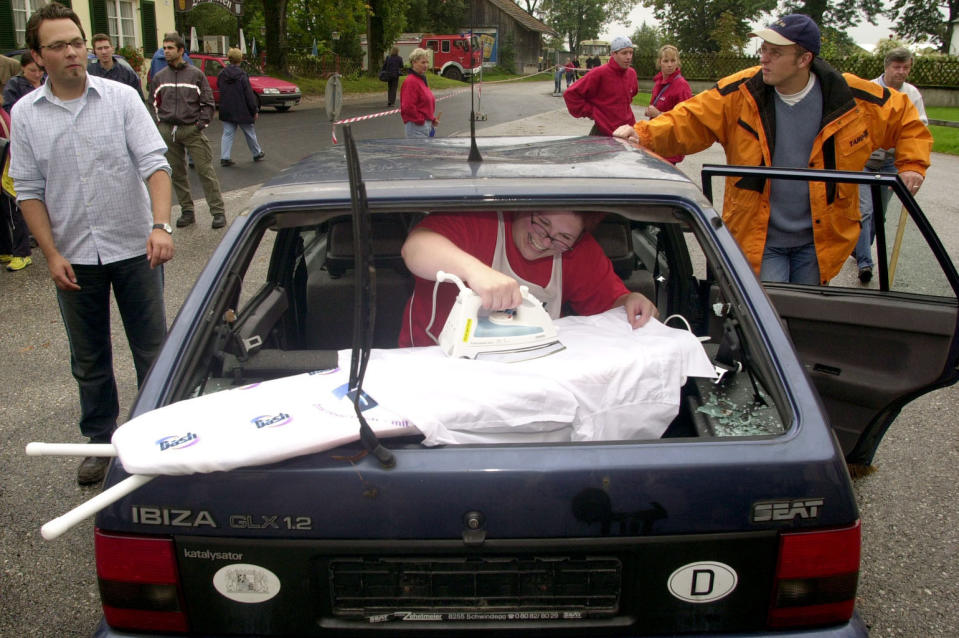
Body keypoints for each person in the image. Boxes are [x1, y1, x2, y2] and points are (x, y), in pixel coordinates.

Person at [613, 14, 931, 286]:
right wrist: (642, 135)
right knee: (773, 317)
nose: (763, 57)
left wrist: (913, 163)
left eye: (775, 52)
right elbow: (690, 119)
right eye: (763, 49)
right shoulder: (741, 92)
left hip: (820, 240)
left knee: (808, 320)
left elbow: (905, 118)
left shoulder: (851, 98)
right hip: (761, 238)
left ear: (804, 59)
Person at [8, 3, 173, 485]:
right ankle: (101, 442)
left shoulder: (121, 99)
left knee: (152, 349)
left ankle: (155, 437)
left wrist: (160, 226)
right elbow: (29, 191)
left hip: (135, 249)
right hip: (75, 258)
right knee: (89, 358)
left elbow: (155, 164)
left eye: (76, 42)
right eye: (58, 46)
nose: (72, 52)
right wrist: (51, 255)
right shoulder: (25, 114)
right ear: (38, 55)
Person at [398, 210, 658, 347]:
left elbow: (612, 304)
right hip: (432, 361)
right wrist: (475, 272)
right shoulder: (476, 219)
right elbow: (415, 248)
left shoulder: (577, 252)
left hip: (522, 378)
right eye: (541, 222)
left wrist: (630, 301)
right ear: (522, 206)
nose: (545, 240)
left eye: (562, 238)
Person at [854, 46, 928, 284]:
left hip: (890, 163)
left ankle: (859, 247)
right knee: (864, 211)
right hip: (865, 160)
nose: (901, 72)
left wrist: (912, 164)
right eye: (897, 67)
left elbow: (919, 128)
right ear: (886, 67)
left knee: (879, 215)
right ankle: (865, 262)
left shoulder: (912, 94)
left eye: (906, 68)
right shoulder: (870, 90)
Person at [148, 32, 227, 229]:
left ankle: (217, 212)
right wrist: (160, 124)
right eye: (164, 48)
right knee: (177, 173)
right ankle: (187, 211)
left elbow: (208, 102)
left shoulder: (195, 75)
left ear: (181, 51)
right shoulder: (160, 77)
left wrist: (200, 125)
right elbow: (153, 102)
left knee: (205, 170)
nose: (166, 51)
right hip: (168, 130)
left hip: (191, 129)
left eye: (170, 48)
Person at [564, 36, 638, 136]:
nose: (629, 57)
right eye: (624, 53)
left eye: (631, 52)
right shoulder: (599, 73)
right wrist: (592, 112)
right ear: (613, 54)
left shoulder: (632, 74)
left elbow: (631, 95)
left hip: (627, 130)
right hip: (604, 131)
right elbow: (571, 94)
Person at [645, 45, 692, 164]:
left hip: (669, 144)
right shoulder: (658, 82)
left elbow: (685, 118)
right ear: (659, 62)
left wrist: (659, 114)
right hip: (656, 140)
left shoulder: (682, 86)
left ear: (678, 62)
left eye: (673, 61)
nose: (670, 65)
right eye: (666, 61)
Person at [217, 47, 264, 166]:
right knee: (249, 132)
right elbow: (248, 93)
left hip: (227, 107)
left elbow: (219, 88)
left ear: (229, 58)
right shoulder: (242, 75)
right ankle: (256, 152)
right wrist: (254, 109)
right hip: (242, 108)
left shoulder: (222, 74)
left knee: (227, 133)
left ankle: (225, 156)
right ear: (240, 59)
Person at [0, 107, 32, 271]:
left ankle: (22, 253)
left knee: (14, 213)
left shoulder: (2, 116)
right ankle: (5, 250)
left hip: (6, 172)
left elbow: (7, 144)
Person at [400, 48, 439, 139]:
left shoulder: (421, 80)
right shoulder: (411, 81)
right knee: (419, 153)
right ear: (414, 63)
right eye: (423, 62)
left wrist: (431, 119)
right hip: (416, 127)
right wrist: (421, 121)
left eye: (427, 62)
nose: (426, 65)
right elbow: (408, 106)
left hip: (425, 126)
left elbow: (424, 104)